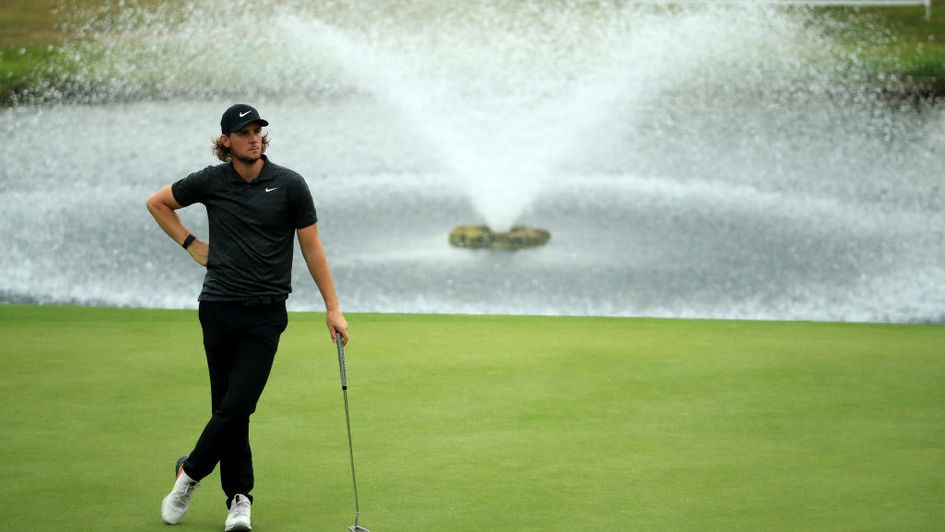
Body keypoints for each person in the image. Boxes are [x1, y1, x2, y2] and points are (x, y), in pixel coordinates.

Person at [146, 103, 348, 531]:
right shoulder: (211, 181)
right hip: (218, 308)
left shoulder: (290, 185)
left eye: (257, 130)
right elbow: (158, 203)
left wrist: (333, 307)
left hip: (266, 314)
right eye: (244, 132)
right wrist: (190, 244)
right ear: (226, 141)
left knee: (239, 404)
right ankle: (239, 499)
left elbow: (312, 248)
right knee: (228, 408)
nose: (253, 137)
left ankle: (190, 473)